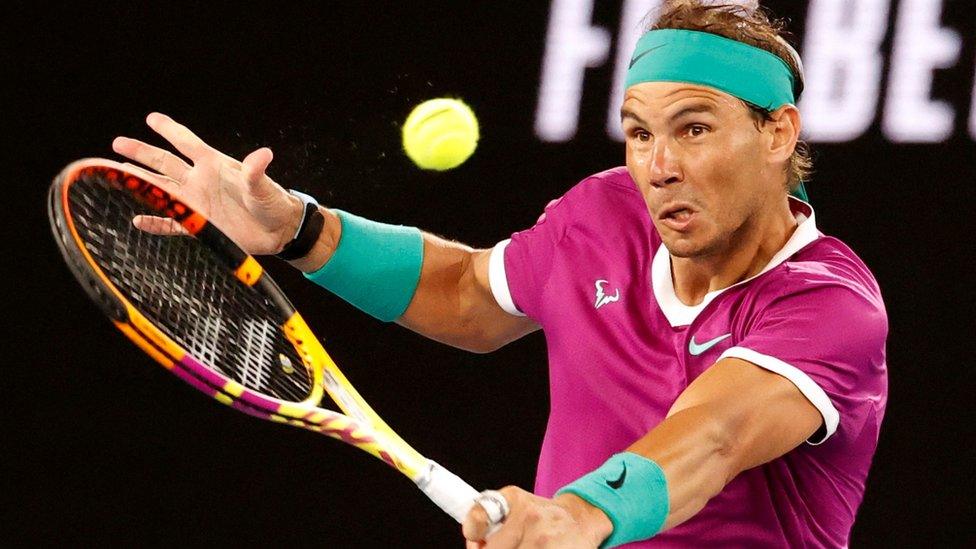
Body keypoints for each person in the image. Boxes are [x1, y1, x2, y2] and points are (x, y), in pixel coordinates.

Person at [112, 2, 888, 546]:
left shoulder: (828, 303)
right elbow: (471, 292)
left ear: (777, 132)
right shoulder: (604, 214)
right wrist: (300, 230)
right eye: (640, 132)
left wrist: (581, 514)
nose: (660, 166)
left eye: (694, 129)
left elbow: (714, 435)